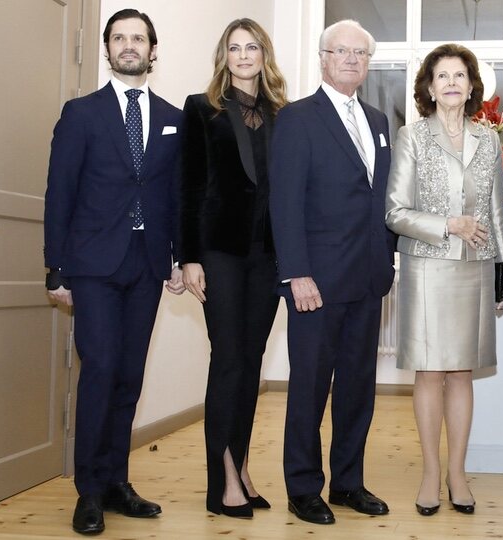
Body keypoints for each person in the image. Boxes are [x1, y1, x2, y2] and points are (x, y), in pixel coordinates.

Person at [43, 9, 184, 535]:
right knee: (100, 371)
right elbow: (60, 194)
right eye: (119, 38)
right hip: (94, 266)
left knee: (129, 376)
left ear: (153, 50)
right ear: (106, 49)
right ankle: (88, 493)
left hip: (147, 267)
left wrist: (177, 256)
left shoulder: (174, 116)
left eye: (138, 38)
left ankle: (117, 482)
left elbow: (176, 195)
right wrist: (55, 269)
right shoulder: (81, 113)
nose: (129, 46)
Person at [269, 19, 395, 526]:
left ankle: (348, 482)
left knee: (358, 388)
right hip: (314, 283)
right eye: (340, 51)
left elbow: (381, 200)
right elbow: (285, 202)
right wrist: (296, 273)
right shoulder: (298, 118)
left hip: (367, 279)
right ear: (322, 58)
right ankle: (303, 487)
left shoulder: (379, 120)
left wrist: (386, 258)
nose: (350, 60)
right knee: (309, 388)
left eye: (359, 54)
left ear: (368, 63)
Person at [385, 43, 503, 517]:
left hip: (477, 267)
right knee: (430, 371)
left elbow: (498, 216)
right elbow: (395, 211)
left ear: (472, 84)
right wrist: (449, 225)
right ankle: (428, 473)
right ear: (429, 87)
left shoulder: (490, 140)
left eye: (460, 75)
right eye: (443, 75)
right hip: (426, 265)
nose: (452, 83)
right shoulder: (412, 136)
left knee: (462, 372)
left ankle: (457, 474)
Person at [179, 19, 288, 519]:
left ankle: (241, 466)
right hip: (219, 253)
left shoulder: (282, 114)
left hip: (266, 256)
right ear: (224, 56)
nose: (244, 56)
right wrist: (189, 257)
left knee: (251, 362)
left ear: (264, 56)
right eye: (234, 48)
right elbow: (190, 186)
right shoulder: (202, 108)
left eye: (252, 48)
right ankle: (221, 479)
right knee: (227, 360)